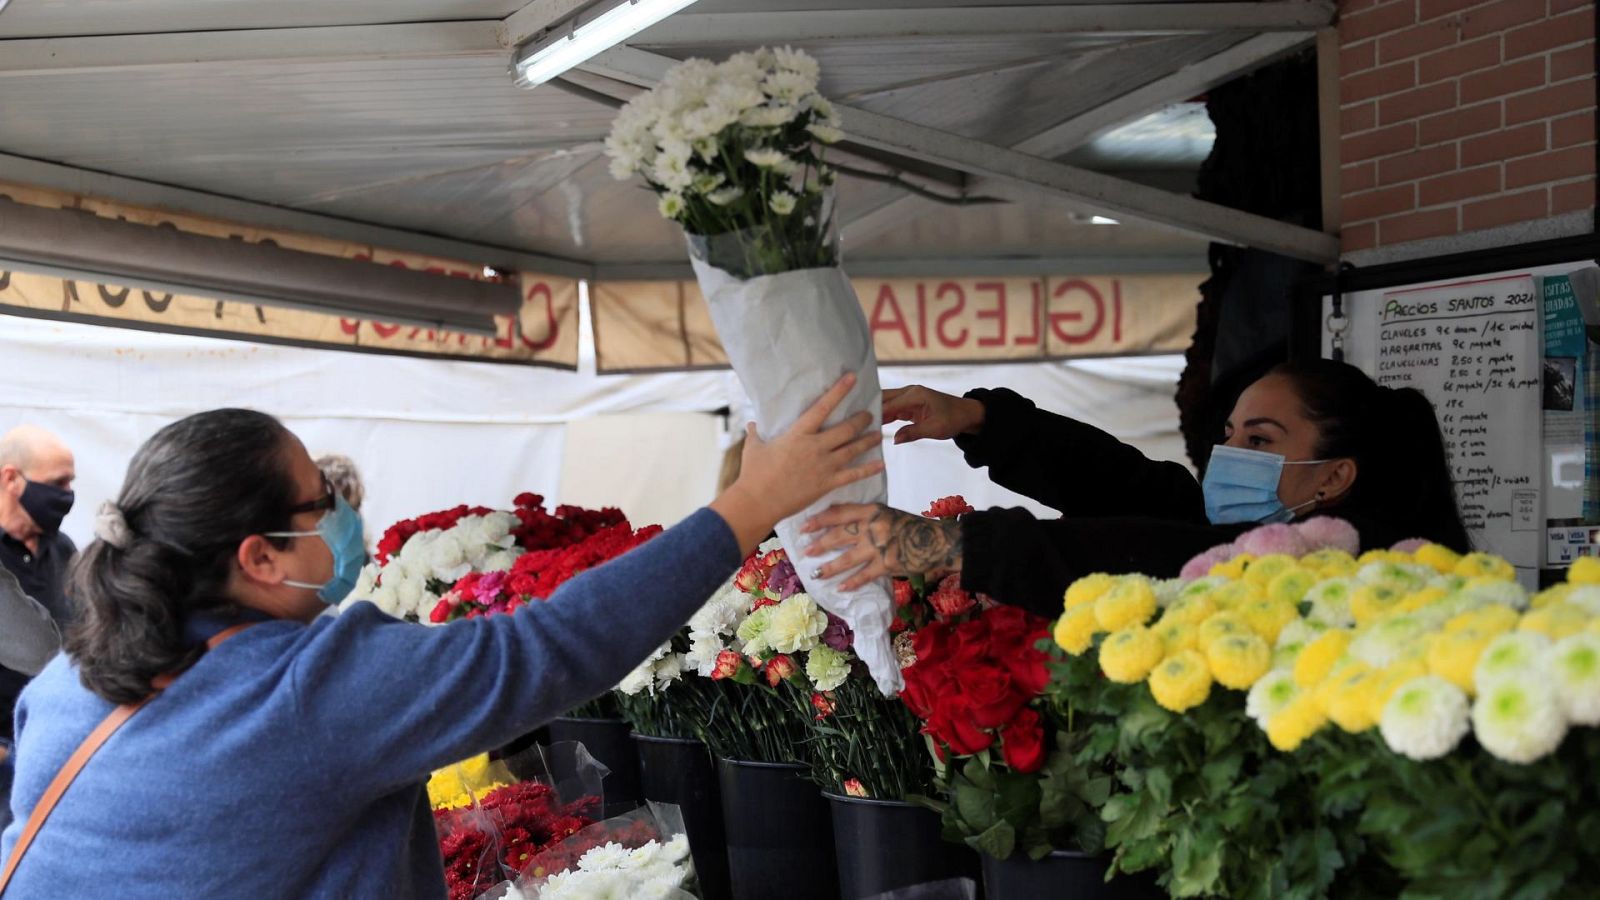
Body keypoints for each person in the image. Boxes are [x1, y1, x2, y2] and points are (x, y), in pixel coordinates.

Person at [0, 374, 881, 897]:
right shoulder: (312, 690)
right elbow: (557, 644)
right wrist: (752, 503)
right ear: (260, 557)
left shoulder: (64, 688)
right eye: (320, 503)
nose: (342, 518)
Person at [803, 359, 1471, 619]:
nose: (1230, 456)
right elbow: (1135, 491)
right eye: (1232, 435)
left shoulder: (1350, 568)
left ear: (1335, 475)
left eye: (1261, 441)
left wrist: (944, 545)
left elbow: (1142, 552)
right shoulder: (1255, 531)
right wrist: (982, 421)